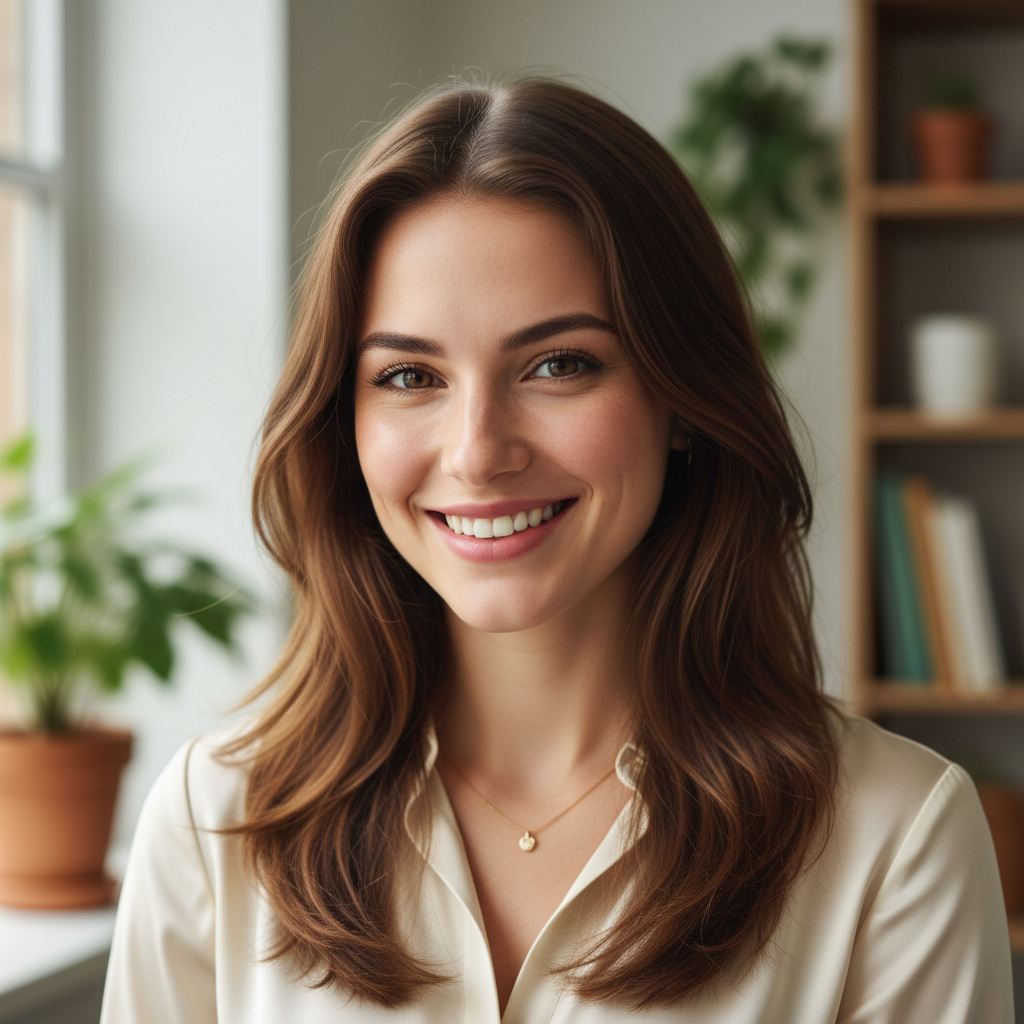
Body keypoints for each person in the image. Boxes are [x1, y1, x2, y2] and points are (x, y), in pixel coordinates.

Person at [100, 77, 1013, 1023]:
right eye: (410, 375)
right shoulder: (216, 821)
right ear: (346, 422)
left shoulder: (897, 839)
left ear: (683, 402)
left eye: (559, 364)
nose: (478, 451)